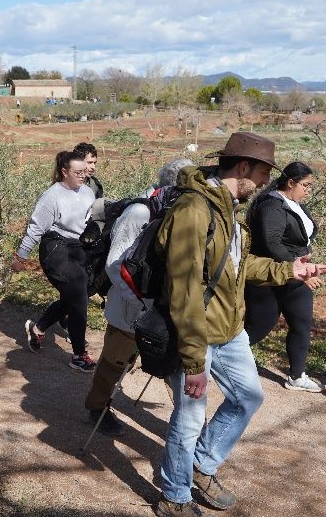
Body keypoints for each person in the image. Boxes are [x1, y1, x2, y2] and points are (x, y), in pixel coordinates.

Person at [154, 133, 326, 517]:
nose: (267, 181)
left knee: (248, 397)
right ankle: (174, 496)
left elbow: (236, 266)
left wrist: (290, 270)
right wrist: (193, 359)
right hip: (198, 335)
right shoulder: (194, 211)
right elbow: (183, 289)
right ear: (243, 167)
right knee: (188, 420)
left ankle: (202, 466)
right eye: (265, 172)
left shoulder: (228, 210)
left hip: (230, 331)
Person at [84, 158, 194, 437]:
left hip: (160, 308)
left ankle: (188, 423)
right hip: (129, 307)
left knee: (174, 364)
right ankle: (97, 408)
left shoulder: (175, 211)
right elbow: (114, 265)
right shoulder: (138, 213)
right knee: (114, 364)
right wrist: (140, 304)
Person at [11, 150, 98, 372]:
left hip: (77, 249)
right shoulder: (52, 196)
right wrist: (21, 257)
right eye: (77, 172)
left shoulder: (88, 193)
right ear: (64, 172)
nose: (82, 176)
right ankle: (79, 355)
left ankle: (38, 329)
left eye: (84, 172)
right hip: (56, 250)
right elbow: (35, 229)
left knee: (74, 297)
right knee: (78, 299)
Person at [244, 161, 323, 393]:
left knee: (301, 322)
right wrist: (297, 268)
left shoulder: (294, 204)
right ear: (291, 183)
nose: (308, 190)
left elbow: (297, 238)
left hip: (296, 277)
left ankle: (297, 376)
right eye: (306, 185)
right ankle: (215, 360)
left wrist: (304, 261)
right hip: (271, 276)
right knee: (258, 327)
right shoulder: (272, 206)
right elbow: (272, 244)